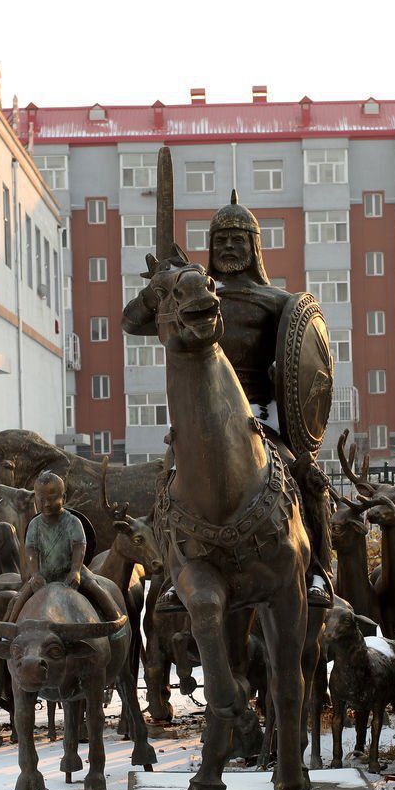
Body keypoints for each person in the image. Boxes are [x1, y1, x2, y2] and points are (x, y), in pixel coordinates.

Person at [122, 191, 333, 610]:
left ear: (255, 247)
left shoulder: (277, 302)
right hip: (201, 417)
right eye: (221, 239)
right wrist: (160, 287)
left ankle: (318, 572)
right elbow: (131, 322)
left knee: (309, 481)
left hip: (260, 416)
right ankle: (172, 573)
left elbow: (304, 365)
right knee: (167, 486)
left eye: (239, 239)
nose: (229, 246)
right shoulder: (196, 296)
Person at [5, 471, 119, 624]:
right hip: (44, 573)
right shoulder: (35, 524)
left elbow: (79, 545)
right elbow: (31, 550)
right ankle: (8, 631)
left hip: (70, 571)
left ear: (63, 498)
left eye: (52, 499)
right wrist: (35, 574)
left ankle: (116, 623)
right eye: (42, 499)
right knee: (18, 601)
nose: (46, 504)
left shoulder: (73, 522)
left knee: (98, 591)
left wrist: (76, 570)